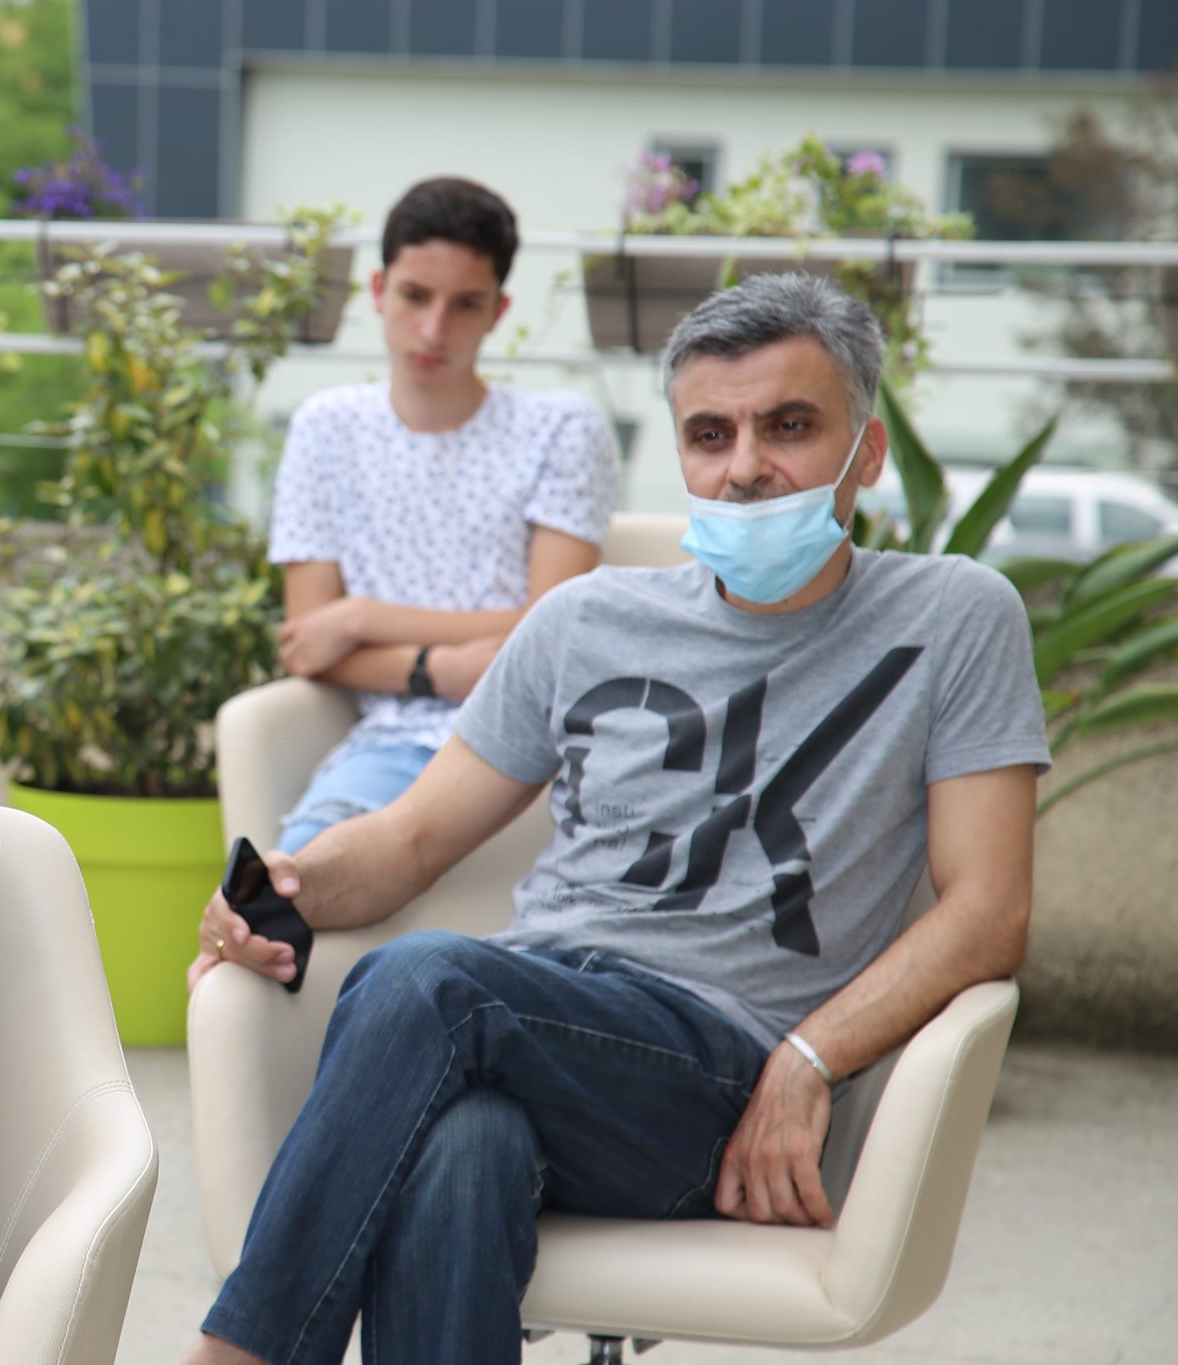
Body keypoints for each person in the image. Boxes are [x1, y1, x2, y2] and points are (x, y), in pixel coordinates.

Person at [182, 273, 1050, 1364]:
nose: (744, 466)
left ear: (864, 452)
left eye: (788, 427)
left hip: (717, 1070)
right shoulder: (584, 619)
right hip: (537, 1023)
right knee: (464, 1147)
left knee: (428, 979)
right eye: (709, 434)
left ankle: (237, 1355)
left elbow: (988, 913)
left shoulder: (954, 616)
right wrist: (281, 889)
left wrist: (806, 1057)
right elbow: (407, 840)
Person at [265, 175, 618, 855]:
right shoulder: (326, 428)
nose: (434, 329)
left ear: (498, 311)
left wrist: (361, 618)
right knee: (282, 889)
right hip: (391, 746)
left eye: (465, 304)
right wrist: (440, 670)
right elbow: (309, 644)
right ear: (378, 290)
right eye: (415, 296)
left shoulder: (560, 429)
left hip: (542, 738)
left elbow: (556, 627)